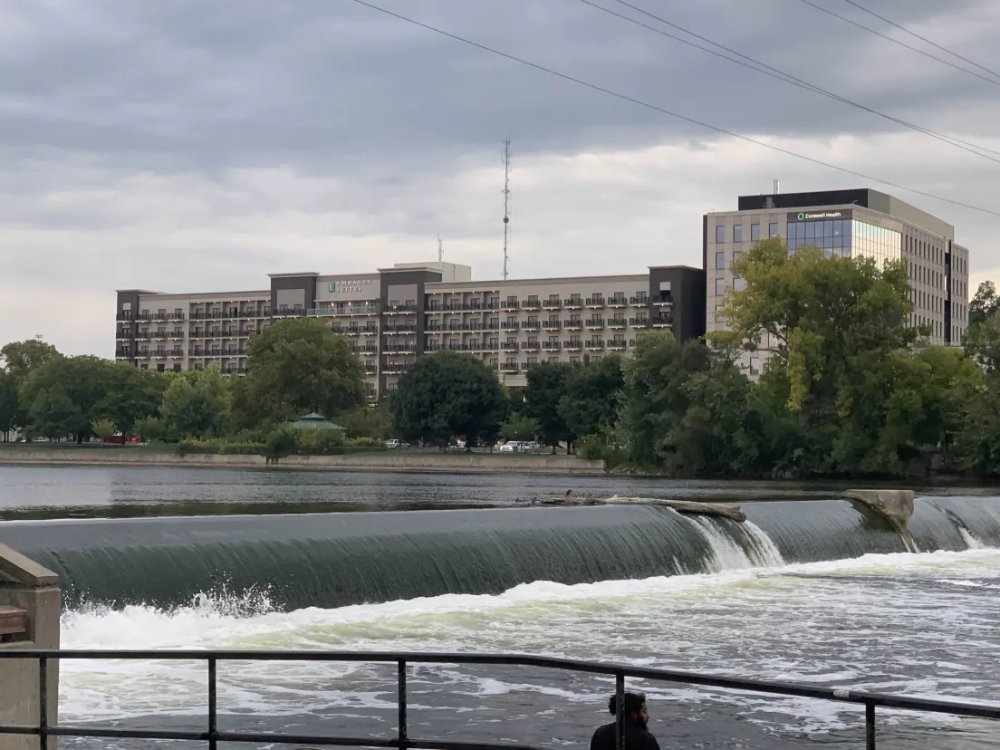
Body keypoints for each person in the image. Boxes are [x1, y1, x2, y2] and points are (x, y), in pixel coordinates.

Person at [590, 691, 660, 750]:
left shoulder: (601, 733)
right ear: (634, 714)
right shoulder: (645, 739)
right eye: (644, 712)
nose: (648, 716)